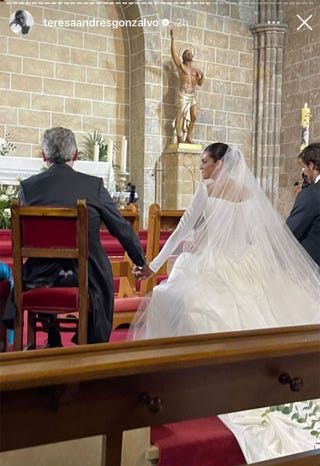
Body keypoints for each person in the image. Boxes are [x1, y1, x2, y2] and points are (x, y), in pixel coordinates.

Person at [133, 142, 320, 339]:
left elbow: (181, 230)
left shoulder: (207, 190)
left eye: (204, 161)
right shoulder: (249, 193)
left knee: (175, 302)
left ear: (219, 163)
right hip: (246, 264)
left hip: (214, 264)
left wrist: (152, 267)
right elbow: (255, 235)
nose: (200, 167)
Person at [16, 126, 150, 347]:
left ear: (43, 155)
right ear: (75, 155)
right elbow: (121, 228)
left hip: (40, 278)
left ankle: (52, 335)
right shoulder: (92, 186)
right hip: (86, 277)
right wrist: (140, 261)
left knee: (40, 261)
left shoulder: (27, 188)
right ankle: (91, 346)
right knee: (101, 271)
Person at [286, 142, 320, 266]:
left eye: (304, 168)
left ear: (311, 165)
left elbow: (290, 233)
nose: (305, 173)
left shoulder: (311, 194)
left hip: (312, 270)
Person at [170, 29, 204, 144]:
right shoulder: (181, 67)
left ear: (192, 56)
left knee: (194, 116)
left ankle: (189, 136)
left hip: (192, 95)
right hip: (183, 95)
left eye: (190, 53)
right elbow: (174, 55)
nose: (188, 54)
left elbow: (199, 83)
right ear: (184, 57)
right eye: (186, 53)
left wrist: (202, 75)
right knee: (181, 116)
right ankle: (180, 136)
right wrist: (172, 40)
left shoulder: (195, 71)